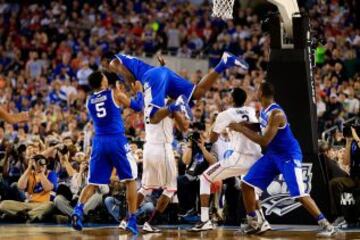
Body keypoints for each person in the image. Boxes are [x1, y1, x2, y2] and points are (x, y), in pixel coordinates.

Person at [229, 82, 337, 237]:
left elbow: (264, 140)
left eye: (257, 90)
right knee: (246, 184)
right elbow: (261, 127)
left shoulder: (277, 114)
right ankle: (254, 221)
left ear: (261, 93)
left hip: (288, 155)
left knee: (299, 194)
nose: (255, 92)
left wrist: (241, 129)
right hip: (273, 154)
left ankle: (326, 225)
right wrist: (246, 125)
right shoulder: (264, 111)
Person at [70, 70, 144, 235]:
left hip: (99, 142)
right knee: (130, 180)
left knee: (93, 182)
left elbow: (107, 114)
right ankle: (132, 219)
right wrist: (138, 90)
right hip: (116, 140)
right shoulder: (114, 93)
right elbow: (138, 106)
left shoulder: (89, 101)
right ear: (103, 82)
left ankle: (78, 210)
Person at [190, 88, 269, 232]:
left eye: (229, 96)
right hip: (257, 156)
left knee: (205, 178)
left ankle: (204, 220)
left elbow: (213, 139)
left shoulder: (225, 114)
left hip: (240, 157)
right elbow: (257, 127)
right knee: (250, 187)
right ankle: (262, 221)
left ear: (231, 99)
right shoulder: (251, 110)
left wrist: (218, 124)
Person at [109, 52, 249, 125]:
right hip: (162, 73)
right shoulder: (128, 62)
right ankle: (224, 62)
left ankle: (178, 104)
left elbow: (126, 74)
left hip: (152, 77)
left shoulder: (113, 63)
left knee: (151, 117)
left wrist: (138, 91)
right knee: (197, 93)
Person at [132, 95, 189, 233]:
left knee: (145, 187)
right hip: (162, 148)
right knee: (170, 188)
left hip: (148, 148)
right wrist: (175, 110)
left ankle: (127, 219)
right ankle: (151, 223)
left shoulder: (148, 103)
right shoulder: (169, 105)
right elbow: (184, 127)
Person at [0, 154, 57, 222]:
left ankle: (24, 216)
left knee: (51, 205)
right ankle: (31, 216)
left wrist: (40, 172)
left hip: (42, 205)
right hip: (28, 204)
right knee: (3, 204)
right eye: (39, 164)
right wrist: (29, 167)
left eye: (43, 165)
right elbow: (20, 186)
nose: (41, 166)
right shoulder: (30, 174)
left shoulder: (51, 174)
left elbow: (48, 188)